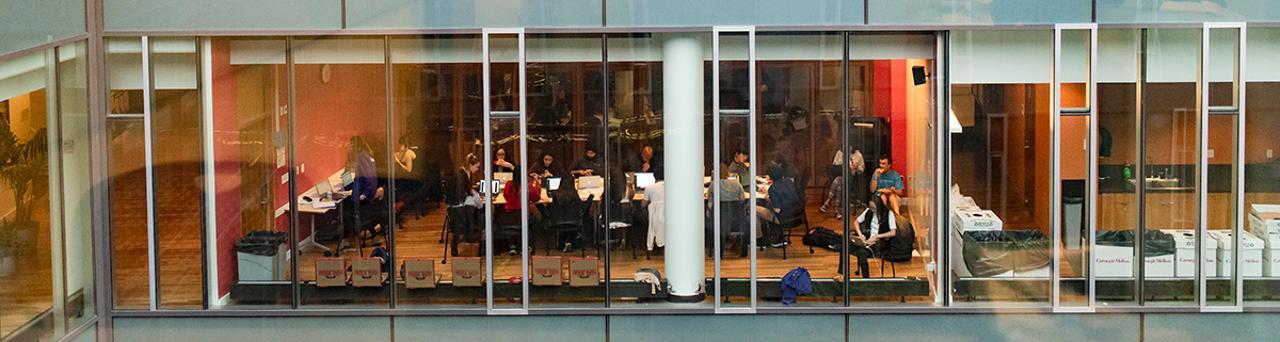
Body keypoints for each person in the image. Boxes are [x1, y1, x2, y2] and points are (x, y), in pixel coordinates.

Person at [845, 195, 897, 278]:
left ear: (879, 206)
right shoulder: (868, 211)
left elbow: (893, 232)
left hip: (879, 242)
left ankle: (866, 279)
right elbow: (856, 222)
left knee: (861, 253)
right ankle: (842, 273)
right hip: (867, 240)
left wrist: (877, 236)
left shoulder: (889, 214)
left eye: (873, 208)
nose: (872, 209)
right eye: (870, 207)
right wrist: (860, 234)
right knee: (844, 246)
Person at [756, 165, 800, 248]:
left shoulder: (773, 188)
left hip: (784, 218)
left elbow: (777, 210)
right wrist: (770, 197)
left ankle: (760, 240)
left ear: (770, 176)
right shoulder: (788, 181)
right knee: (766, 205)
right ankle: (774, 235)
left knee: (753, 209)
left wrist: (769, 199)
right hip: (796, 215)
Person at [819, 150, 865, 218]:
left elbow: (861, 170)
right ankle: (836, 211)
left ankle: (828, 201)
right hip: (840, 177)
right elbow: (834, 165)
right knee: (839, 184)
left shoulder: (858, 155)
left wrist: (856, 167)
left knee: (837, 181)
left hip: (851, 179)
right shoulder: (839, 153)